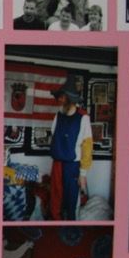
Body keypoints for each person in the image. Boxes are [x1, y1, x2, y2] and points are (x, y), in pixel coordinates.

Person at [48, 77, 93, 221]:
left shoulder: (83, 118)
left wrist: (83, 174)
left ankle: (72, 227)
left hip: (73, 166)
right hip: (57, 164)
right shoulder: (58, 115)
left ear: (69, 99)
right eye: (60, 97)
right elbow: (54, 136)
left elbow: (87, 147)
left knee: (72, 201)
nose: (60, 100)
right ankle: (56, 225)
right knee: (56, 199)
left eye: (62, 97)